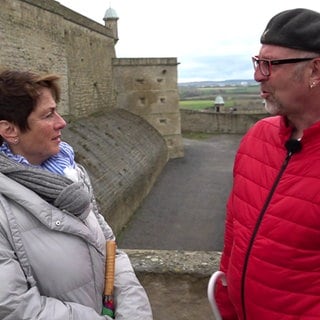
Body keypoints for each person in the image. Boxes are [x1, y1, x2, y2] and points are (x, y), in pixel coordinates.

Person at [0, 69, 153, 319]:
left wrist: (134, 312)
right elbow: (14, 308)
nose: (62, 122)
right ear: (10, 131)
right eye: (48, 114)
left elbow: (110, 248)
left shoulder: (71, 175)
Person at [214, 8, 320, 320]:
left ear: (316, 69)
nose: (258, 75)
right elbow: (235, 229)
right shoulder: (257, 137)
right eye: (258, 63)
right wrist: (225, 300)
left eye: (270, 65)